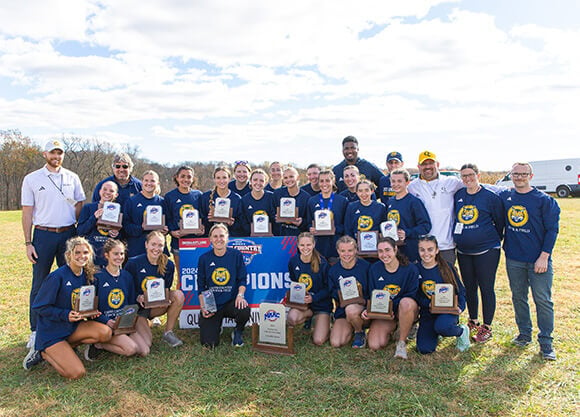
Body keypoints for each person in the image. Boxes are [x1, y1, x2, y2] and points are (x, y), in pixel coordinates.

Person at [21, 139, 86, 349]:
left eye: (59, 153)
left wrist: (71, 224)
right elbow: (28, 212)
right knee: (39, 283)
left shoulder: (72, 177)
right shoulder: (32, 179)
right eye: (52, 153)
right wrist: (28, 242)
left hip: (68, 234)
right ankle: (35, 330)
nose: (56, 157)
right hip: (43, 235)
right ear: (44, 154)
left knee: (72, 282)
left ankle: (68, 325)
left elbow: (79, 204)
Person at [23, 237, 112, 379]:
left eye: (85, 252)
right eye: (77, 252)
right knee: (77, 373)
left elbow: (87, 303)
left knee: (105, 333)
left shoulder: (88, 275)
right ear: (68, 254)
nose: (81, 256)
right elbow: (39, 307)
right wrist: (65, 315)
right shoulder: (57, 277)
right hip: (53, 331)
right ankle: (42, 352)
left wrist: (93, 313)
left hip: (72, 327)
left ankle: (68, 347)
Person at [499, 162, 560, 360]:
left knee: (542, 300)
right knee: (518, 296)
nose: (519, 177)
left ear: (531, 176)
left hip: (538, 260)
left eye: (523, 174)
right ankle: (525, 333)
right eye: (515, 174)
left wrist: (544, 256)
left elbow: (552, 230)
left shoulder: (544, 201)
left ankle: (546, 342)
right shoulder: (506, 197)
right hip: (514, 257)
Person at [453, 163, 504, 343]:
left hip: (487, 250)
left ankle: (487, 326)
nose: (468, 179)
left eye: (470, 175)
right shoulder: (459, 195)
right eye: (464, 176)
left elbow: (499, 222)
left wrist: (488, 238)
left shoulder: (490, 197)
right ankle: (473, 320)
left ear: (478, 175)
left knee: (486, 287)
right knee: (469, 287)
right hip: (464, 250)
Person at [88, 239, 151, 359]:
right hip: (106, 323)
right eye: (115, 254)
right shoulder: (97, 277)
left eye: (122, 254)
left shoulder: (126, 276)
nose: (119, 257)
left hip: (123, 323)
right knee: (131, 349)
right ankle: (99, 344)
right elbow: (91, 308)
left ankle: (117, 340)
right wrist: (106, 320)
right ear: (107, 255)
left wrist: (126, 318)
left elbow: (132, 303)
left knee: (145, 350)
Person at [125, 231, 185, 347]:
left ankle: (168, 332)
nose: (156, 248)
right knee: (147, 343)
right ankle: (139, 323)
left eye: (160, 245)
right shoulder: (133, 263)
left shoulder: (169, 265)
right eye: (153, 244)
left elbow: (166, 289)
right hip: (138, 309)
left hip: (155, 307)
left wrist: (163, 299)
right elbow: (126, 289)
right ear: (146, 245)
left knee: (178, 295)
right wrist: (138, 297)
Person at [362, 238, 419, 359]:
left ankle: (402, 343)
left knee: (406, 303)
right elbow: (372, 294)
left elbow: (413, 295)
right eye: (380, 251)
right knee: (375, 345)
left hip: (405, 309)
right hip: (386, 313)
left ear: (395, 249)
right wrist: (369, 309)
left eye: (387, 250)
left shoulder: (410, 269)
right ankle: (396, 330)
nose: (384, 254)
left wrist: (393, 307)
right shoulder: (374, 269)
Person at [197, 224, 250, 348]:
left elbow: (242, 280)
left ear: (227, 238)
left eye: (222, 236)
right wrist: (204, 307)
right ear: (210, 239)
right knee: (209, 344)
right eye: (215, 236)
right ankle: (215, 325)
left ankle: (238, 332)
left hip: (231, 302)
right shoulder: (204, 259)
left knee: (244, 309)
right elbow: (201, 287)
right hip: (213, 304)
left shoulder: (236, 255)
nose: (218, 239)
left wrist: (240, 296)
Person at [415, 235, 470, 354]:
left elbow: (461, 290)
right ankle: (435, 331)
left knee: (443, 327)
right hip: (428, 312)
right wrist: (427, 303)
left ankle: (461, 331)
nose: (426, 253)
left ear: (437, 250)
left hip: (447, 311)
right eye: (422, 250)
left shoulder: (447, 267)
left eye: (430, 249)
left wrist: (460, 307)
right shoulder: (415, 269)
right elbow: (416, 295)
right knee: (424, 349)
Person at [408, 150, 464, 265]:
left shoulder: (451, 182)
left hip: (446, 244)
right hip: (424, 246)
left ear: (437, 164)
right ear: (418, 166)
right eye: (424, 164)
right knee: (426, 281)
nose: (428, 167)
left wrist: (503, 189)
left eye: (431, 163)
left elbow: (473, 185)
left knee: (447, 280)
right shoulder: (412, 187)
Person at [287, 232, 332, 345]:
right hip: (304, 306)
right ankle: (309, 318)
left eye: (308, 245)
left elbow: (329, 288)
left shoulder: (323, 263)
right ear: (297, 245)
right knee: (292, 318)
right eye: (302, 245)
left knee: (318, 340)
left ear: (314, 244)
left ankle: (325, 321)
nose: (305, 248)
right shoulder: (294, 261)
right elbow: (295, 283)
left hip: (321, 305)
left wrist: (314, 297)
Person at [327, 236, 369, 348]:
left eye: (350, 250)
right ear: (338, 251)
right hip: (343, 311)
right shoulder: (333, 271)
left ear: (356, 250)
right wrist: (344, 294)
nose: (346, 254)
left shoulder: (366, 267)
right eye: (342, 251)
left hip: (363, 310)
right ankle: (352, 325)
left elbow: (372, 291)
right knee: (337, 342)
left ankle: (359, 332)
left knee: (351, 310)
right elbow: (332, 292)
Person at [386, 169, 431, 263]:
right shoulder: (390, 202)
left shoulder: (414, 202)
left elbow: (426, 226)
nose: (396, 184)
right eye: (393, 181)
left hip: (410, 249)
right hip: (394, 250)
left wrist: (407, 232)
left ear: (407, 182)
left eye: (399, 181)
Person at [165, 165, 203, 275]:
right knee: (183, 274)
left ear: (193, 179)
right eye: (182, 176)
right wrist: (172, 231)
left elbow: (203, 216)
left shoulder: (198, 195)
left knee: (197, 273)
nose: (185, 180)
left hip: (196, 242)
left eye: (189, 177)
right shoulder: (169, 196)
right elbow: (167, 217)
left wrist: (203, 227)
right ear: (176, 177)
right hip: (179, 242)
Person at [123, 170, 169, 257]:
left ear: (158, 183)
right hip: (136, 249)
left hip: (157, 251)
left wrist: (166, 230)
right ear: (142, 182)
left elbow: (168, 222)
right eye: (146, 180)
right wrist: (141, 228)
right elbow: (126, 226)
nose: (149, 183)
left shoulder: (162, 202)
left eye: (152, 181)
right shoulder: (131, 201)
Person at [306, 170, 349, 263]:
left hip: (336, 245)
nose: (324, 184)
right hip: (319, 245)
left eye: (327, 180)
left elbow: (346, 225)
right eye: (321, 181)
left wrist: (335, 229)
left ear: (333, 181)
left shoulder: (342, 200)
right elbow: (308, 222)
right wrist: (311, 228)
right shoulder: (312, 201)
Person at [77, 180, 121, 268]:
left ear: (116, 195)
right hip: (91, 256)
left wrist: (116, 233)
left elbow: (121, 237)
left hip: (109, 258)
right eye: (105, 189)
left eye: (111, 191)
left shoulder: (118, 210)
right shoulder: (88, 208)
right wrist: (94, 218)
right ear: (100, 191)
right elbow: (80, 231)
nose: (107, 192)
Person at [199, 166, 243, 237]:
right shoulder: (205, 197)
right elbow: (202, 221)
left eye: (224, 178)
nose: (221, 181)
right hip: (210, 239)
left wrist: (232, 223)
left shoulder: (236, 198)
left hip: (231, 239)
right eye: (218, 178)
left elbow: (241, 223)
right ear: (214, 179)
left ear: (229, 179)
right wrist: (208, 219)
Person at [274, 166, 311, 236]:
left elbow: (309, 220)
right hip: (281, 236)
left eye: (291, 176)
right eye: (285, 178)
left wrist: (301, 222)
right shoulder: (277, 194)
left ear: (297, 177)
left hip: (298, 236)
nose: (288, 180)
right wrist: (275, 217)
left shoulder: (306, 197)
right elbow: (272, 212)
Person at [240, 169, 276, 236]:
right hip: (251, 238)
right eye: (255, 180)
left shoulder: (272, 197)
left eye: (261, 180)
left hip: (270, 237)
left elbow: (275, 219)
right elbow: (243, 222)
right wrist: (252, 232)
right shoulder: (244, 200)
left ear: (265, 183)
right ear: (250, 181)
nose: (258, 183)